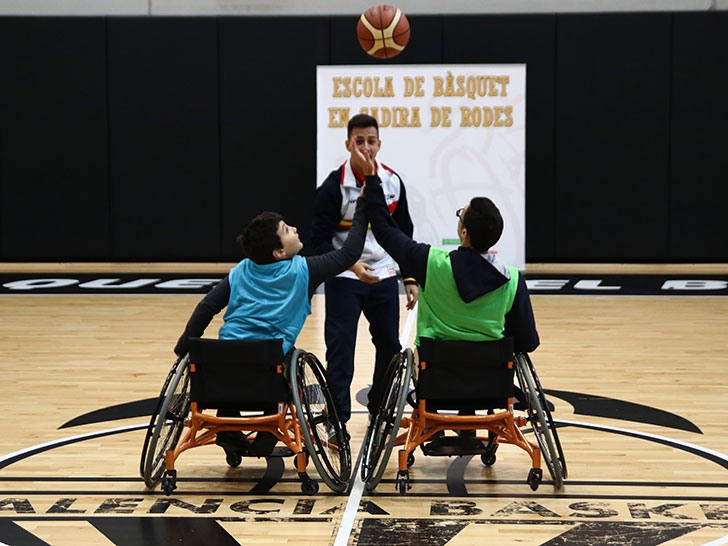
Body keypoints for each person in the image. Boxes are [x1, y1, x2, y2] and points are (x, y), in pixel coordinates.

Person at [354, 141, 539, 439]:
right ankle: (469, 424)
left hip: (435, 379)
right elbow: (527, 341)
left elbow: (387, 232)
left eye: (460, 215)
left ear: (463, 233)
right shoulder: (513, 279)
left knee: (440, 364)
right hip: (490, 384)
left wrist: (371, 179)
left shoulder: (433, 263)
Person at [174, 196, 368, 455]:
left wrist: (184, 345)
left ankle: (228, 428)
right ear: (279, 252)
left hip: (221, 367)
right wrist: (364, 206)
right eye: (287, 230)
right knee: (277, 366)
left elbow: (206, 307)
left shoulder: (240, 272)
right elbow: (349, 253)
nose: (295, 229)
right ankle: (268, 428)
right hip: (270, 370)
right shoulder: (303, 271)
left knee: (235, 364)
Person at [311, 113, 418, 423]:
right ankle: (337, 418)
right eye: (359, 142)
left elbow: (404, 234)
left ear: (379, 144)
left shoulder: (393, 182)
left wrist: (410, 277)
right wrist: (351, 264)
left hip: (383, 274)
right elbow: (318, 243)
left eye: (371, 141)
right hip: (345, 275)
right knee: (340, 349)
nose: (366, 148)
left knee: (389, 345)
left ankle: (380, 407)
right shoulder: (332, 187)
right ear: (348, 144)